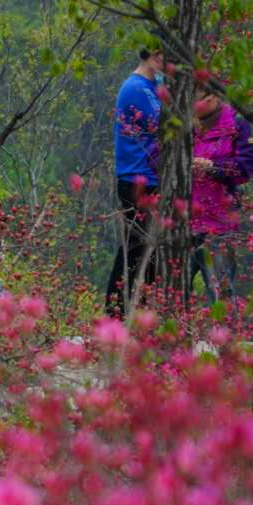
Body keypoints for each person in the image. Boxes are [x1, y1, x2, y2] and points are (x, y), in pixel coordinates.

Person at [105, 47, 165, 317]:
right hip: (136, 178)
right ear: (150, 54)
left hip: (153, 177)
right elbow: (164, 130)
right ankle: (116, 311)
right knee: (136, 246)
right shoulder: (136, 88)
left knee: (152, 251)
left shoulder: (155, 85)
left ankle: (142, 312)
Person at [188, 82, 253, 302]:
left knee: (220, 292)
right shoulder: (182, 126)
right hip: (182, 222)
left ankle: (225, 335)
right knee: (172, 291)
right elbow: (155, 159)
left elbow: (245, 167)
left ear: (212, 98)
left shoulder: (236, 125)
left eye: (194, 100)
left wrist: (213, 169)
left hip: (220, 223)